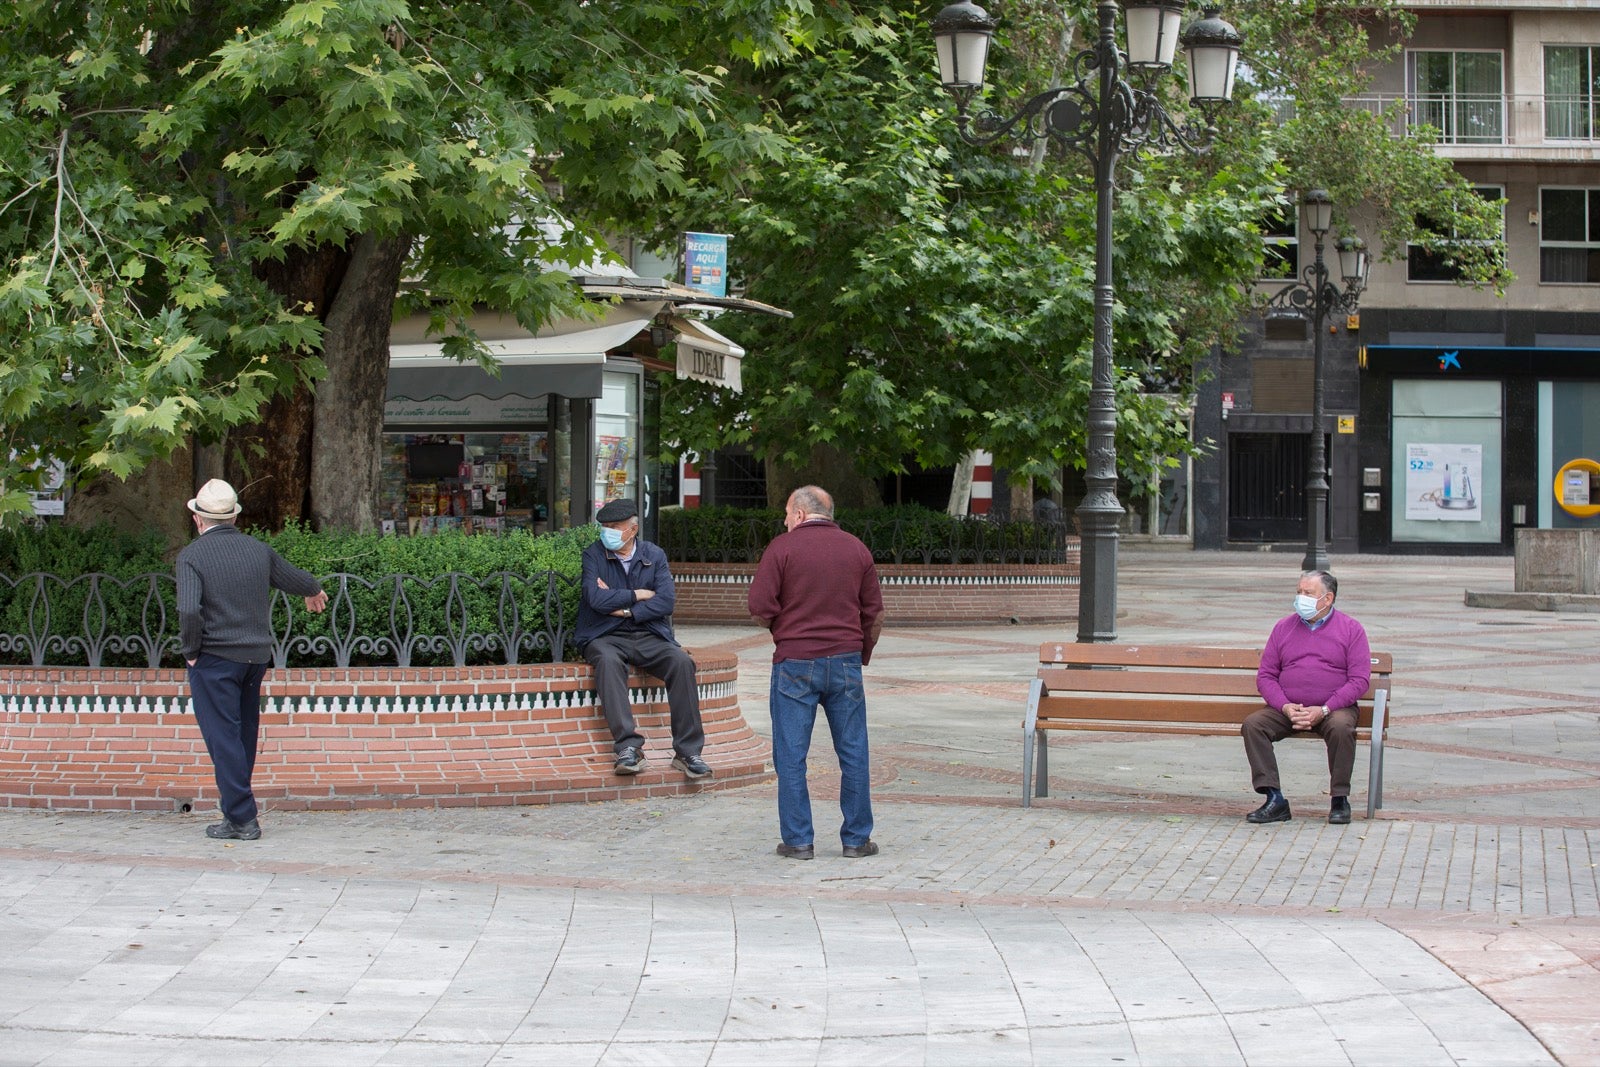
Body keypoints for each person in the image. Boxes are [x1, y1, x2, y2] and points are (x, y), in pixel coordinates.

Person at [177, 479, 328, 841]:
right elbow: (292, 577)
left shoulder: (192, 557)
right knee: (243, 733)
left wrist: (191, 652)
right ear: (233, 517)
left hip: (215, 658)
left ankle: (242, 818)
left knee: (222, 737)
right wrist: (314, 589)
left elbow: (187, 610)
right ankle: (236, 812)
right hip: (255, 657)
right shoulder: (257, 550)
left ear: (198, 519)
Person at [748, 485, 884, 861]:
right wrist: (861, 655)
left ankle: (798, 841)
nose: (785, 521)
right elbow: (874, 614)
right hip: (845, 662)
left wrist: (781, 630)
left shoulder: (782, 548)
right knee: (854, 752)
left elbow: (759, 605)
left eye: (788, 515)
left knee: (791, 755)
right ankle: (857, 840)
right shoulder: (857, 548)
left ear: (801, 515)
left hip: (794, 662)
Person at [575, 498, 711, 780]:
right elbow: (595, 599)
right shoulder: (594, 555)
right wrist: (638, 594)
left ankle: (688, 752)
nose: (608, 531)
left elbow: (666, 602)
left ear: (633, 529)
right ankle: (628, 748)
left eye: (615, 526)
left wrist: (624, 610)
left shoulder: (654, 555)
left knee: (681, 663)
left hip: (648, 633)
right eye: (605, 526)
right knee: (609, 662)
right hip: (604, 634)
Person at [1241, 570, 1372, 826]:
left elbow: (1359, 681)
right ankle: (1274, 798)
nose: (1301, 597)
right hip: (1289, 707)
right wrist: (1286, 707)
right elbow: (1266, 676)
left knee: (1342, 727)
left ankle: (1339, 799)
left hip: (1334, 708)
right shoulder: (1283, 628)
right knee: (1253, 725)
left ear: (1328, 598)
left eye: (1308, 593)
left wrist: (1324, 709)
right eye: (1299, 592)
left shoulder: (1351, 629)